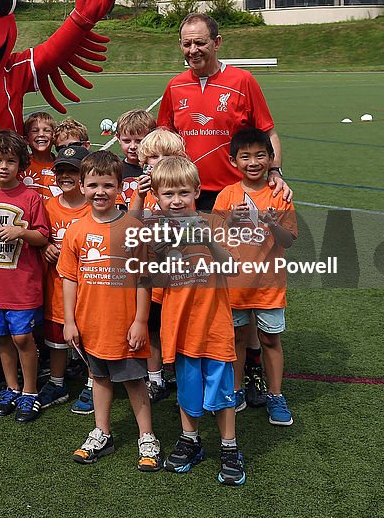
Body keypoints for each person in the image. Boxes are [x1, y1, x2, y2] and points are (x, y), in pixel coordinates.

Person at [156, 12, 291, 404]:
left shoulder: (242, 81)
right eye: (186, 43)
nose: (193, 50)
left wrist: (276, 171)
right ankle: (190, 360)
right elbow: (165, 137)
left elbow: (266, 131)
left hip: (232, 198)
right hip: (185, 202)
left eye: (200, 42)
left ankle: (249, 368)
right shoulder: (174, 86)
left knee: (236, 286)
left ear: (218, 42)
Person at [59, 151, 160, 472]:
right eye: (92, 185)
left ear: (120, 188)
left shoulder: (134, 227)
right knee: (98, 378)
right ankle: (102, 432)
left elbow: (145, 278)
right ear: (82, 186)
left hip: (126, 324)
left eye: (107, 185)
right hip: (90, 324)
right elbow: (69, 279)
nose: (99, 191)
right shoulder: (75, 231)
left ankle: (147, 436)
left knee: (134, 381)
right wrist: (70, 321)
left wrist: (141, 321)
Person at [152, 156, 245, 485]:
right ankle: (190, 439)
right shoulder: (156, 232)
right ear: (157, 198)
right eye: (168, 194)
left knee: (222, 394)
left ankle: (229, 446)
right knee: (187, 392)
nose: (176, 201)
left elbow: (232, 267)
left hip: (214, 326)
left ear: (196, 192)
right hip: (179, 327)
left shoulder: (210, 224)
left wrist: (207, 241)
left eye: (183, 193)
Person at [216, 128, 297, 425]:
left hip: (269, 286)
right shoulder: (227, 195)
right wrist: (229, 222)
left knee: (270, 340)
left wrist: (274, 225)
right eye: (245, 156)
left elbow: (288, 240)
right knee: (236, 339)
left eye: (260, 155)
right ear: (233, 160)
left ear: (271, 158)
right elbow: (214, 240)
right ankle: (236, 390)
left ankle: (275, 394)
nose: (253, 162)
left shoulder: (279, 195)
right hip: (235, 286)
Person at [0, 131, 51, 423]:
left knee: (22, 337)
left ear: (21, 165)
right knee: (2, 338)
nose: (3, 167)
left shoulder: (30, 197)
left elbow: (43, 236)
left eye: (10, 161)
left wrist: (21, 232)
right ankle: (12, 387)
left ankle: (30, 391)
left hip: (23, 285)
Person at [129, 127, 188, 405]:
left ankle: (181, 374)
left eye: (168, 155)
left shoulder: (180, 191)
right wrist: (140, 196)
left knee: (178, 327)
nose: (159, 161)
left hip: (177, 279)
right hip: (151, 279)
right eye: (153, 156)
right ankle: (155, 378)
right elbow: (131, 225)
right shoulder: (142, 192)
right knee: (152, 328)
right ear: (144, 161)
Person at [37, 144, 90, 410]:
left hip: (88, 290)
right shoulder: (48, 206)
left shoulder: (93, 207)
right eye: (61, 171)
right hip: (56, 286)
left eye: (73, 171)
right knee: (57, 338)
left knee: (91, 337)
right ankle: (57, 383)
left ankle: (94, 384)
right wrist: (45, 245)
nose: (66, 176)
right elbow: (40, 236)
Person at [115, 108, 156, 208]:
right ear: (118, 138)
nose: (133, 146)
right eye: (127, 141)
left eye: (139, 141)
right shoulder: (116, 170)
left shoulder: (157, 170)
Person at [21, 111, 58, 200]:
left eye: (47, 130)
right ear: (26, 139)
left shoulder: (62, 165)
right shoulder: (20, 165)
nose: (41, 134)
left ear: (54, 138)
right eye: (35, 131)